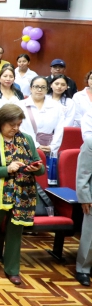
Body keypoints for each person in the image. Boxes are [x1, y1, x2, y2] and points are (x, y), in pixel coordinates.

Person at [0, 104, 44, 286]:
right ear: (1, 122)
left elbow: (40, 167)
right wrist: (7, 169)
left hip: (22, 195)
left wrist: (36, 168)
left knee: (15, 233)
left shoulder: (27, 139)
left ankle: (12, 269)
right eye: (12, 124)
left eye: (18, 124)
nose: (15, 128)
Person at [77, 113, 92, 286]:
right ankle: (83, 269)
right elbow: (83, 174)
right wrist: (84, 197)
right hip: (91, 196)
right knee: (90, 235)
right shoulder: (89, 143)